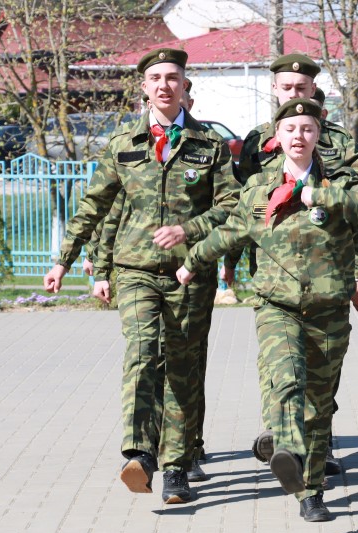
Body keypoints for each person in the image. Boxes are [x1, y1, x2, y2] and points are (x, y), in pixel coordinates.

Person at [43, 48, 239, 504]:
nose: (164, 85)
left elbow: (231, 206)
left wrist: (189, 230)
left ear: (184, 85)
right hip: (136, 269)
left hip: (190, 274)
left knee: (182, 369)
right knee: (142, 353)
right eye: (156, 78)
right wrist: (64, 260)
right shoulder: (123, 143)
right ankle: (139, 453)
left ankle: (176, 467)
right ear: (144, 87)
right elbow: (95, 204)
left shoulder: (209, 144)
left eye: (172, 77)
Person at [176, 98, 358, 521]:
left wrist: (318, 194)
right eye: (290, 129)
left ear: (318, 134)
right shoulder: (259, 188)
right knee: (287, 380)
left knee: (318, 406)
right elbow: (233, 231)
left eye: (307, 129)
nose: (298, 137)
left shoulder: (342, 181)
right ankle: (289, 454)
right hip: (277, 306)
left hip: (328, 309)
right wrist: (192, 261)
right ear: (278, 136)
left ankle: (312, 493)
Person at [226, 54, 358, 475]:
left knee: (323, 364)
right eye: (286, 87)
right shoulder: (257, 141)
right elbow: (241, 206)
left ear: (314, 90)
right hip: (273, 267)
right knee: (278, 357)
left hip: (326, 269)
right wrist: (230, 263)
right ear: (274, 89)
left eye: (301, 88)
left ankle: (318, 442)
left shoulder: (338, 141)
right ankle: (280, 429)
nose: (293, 93)